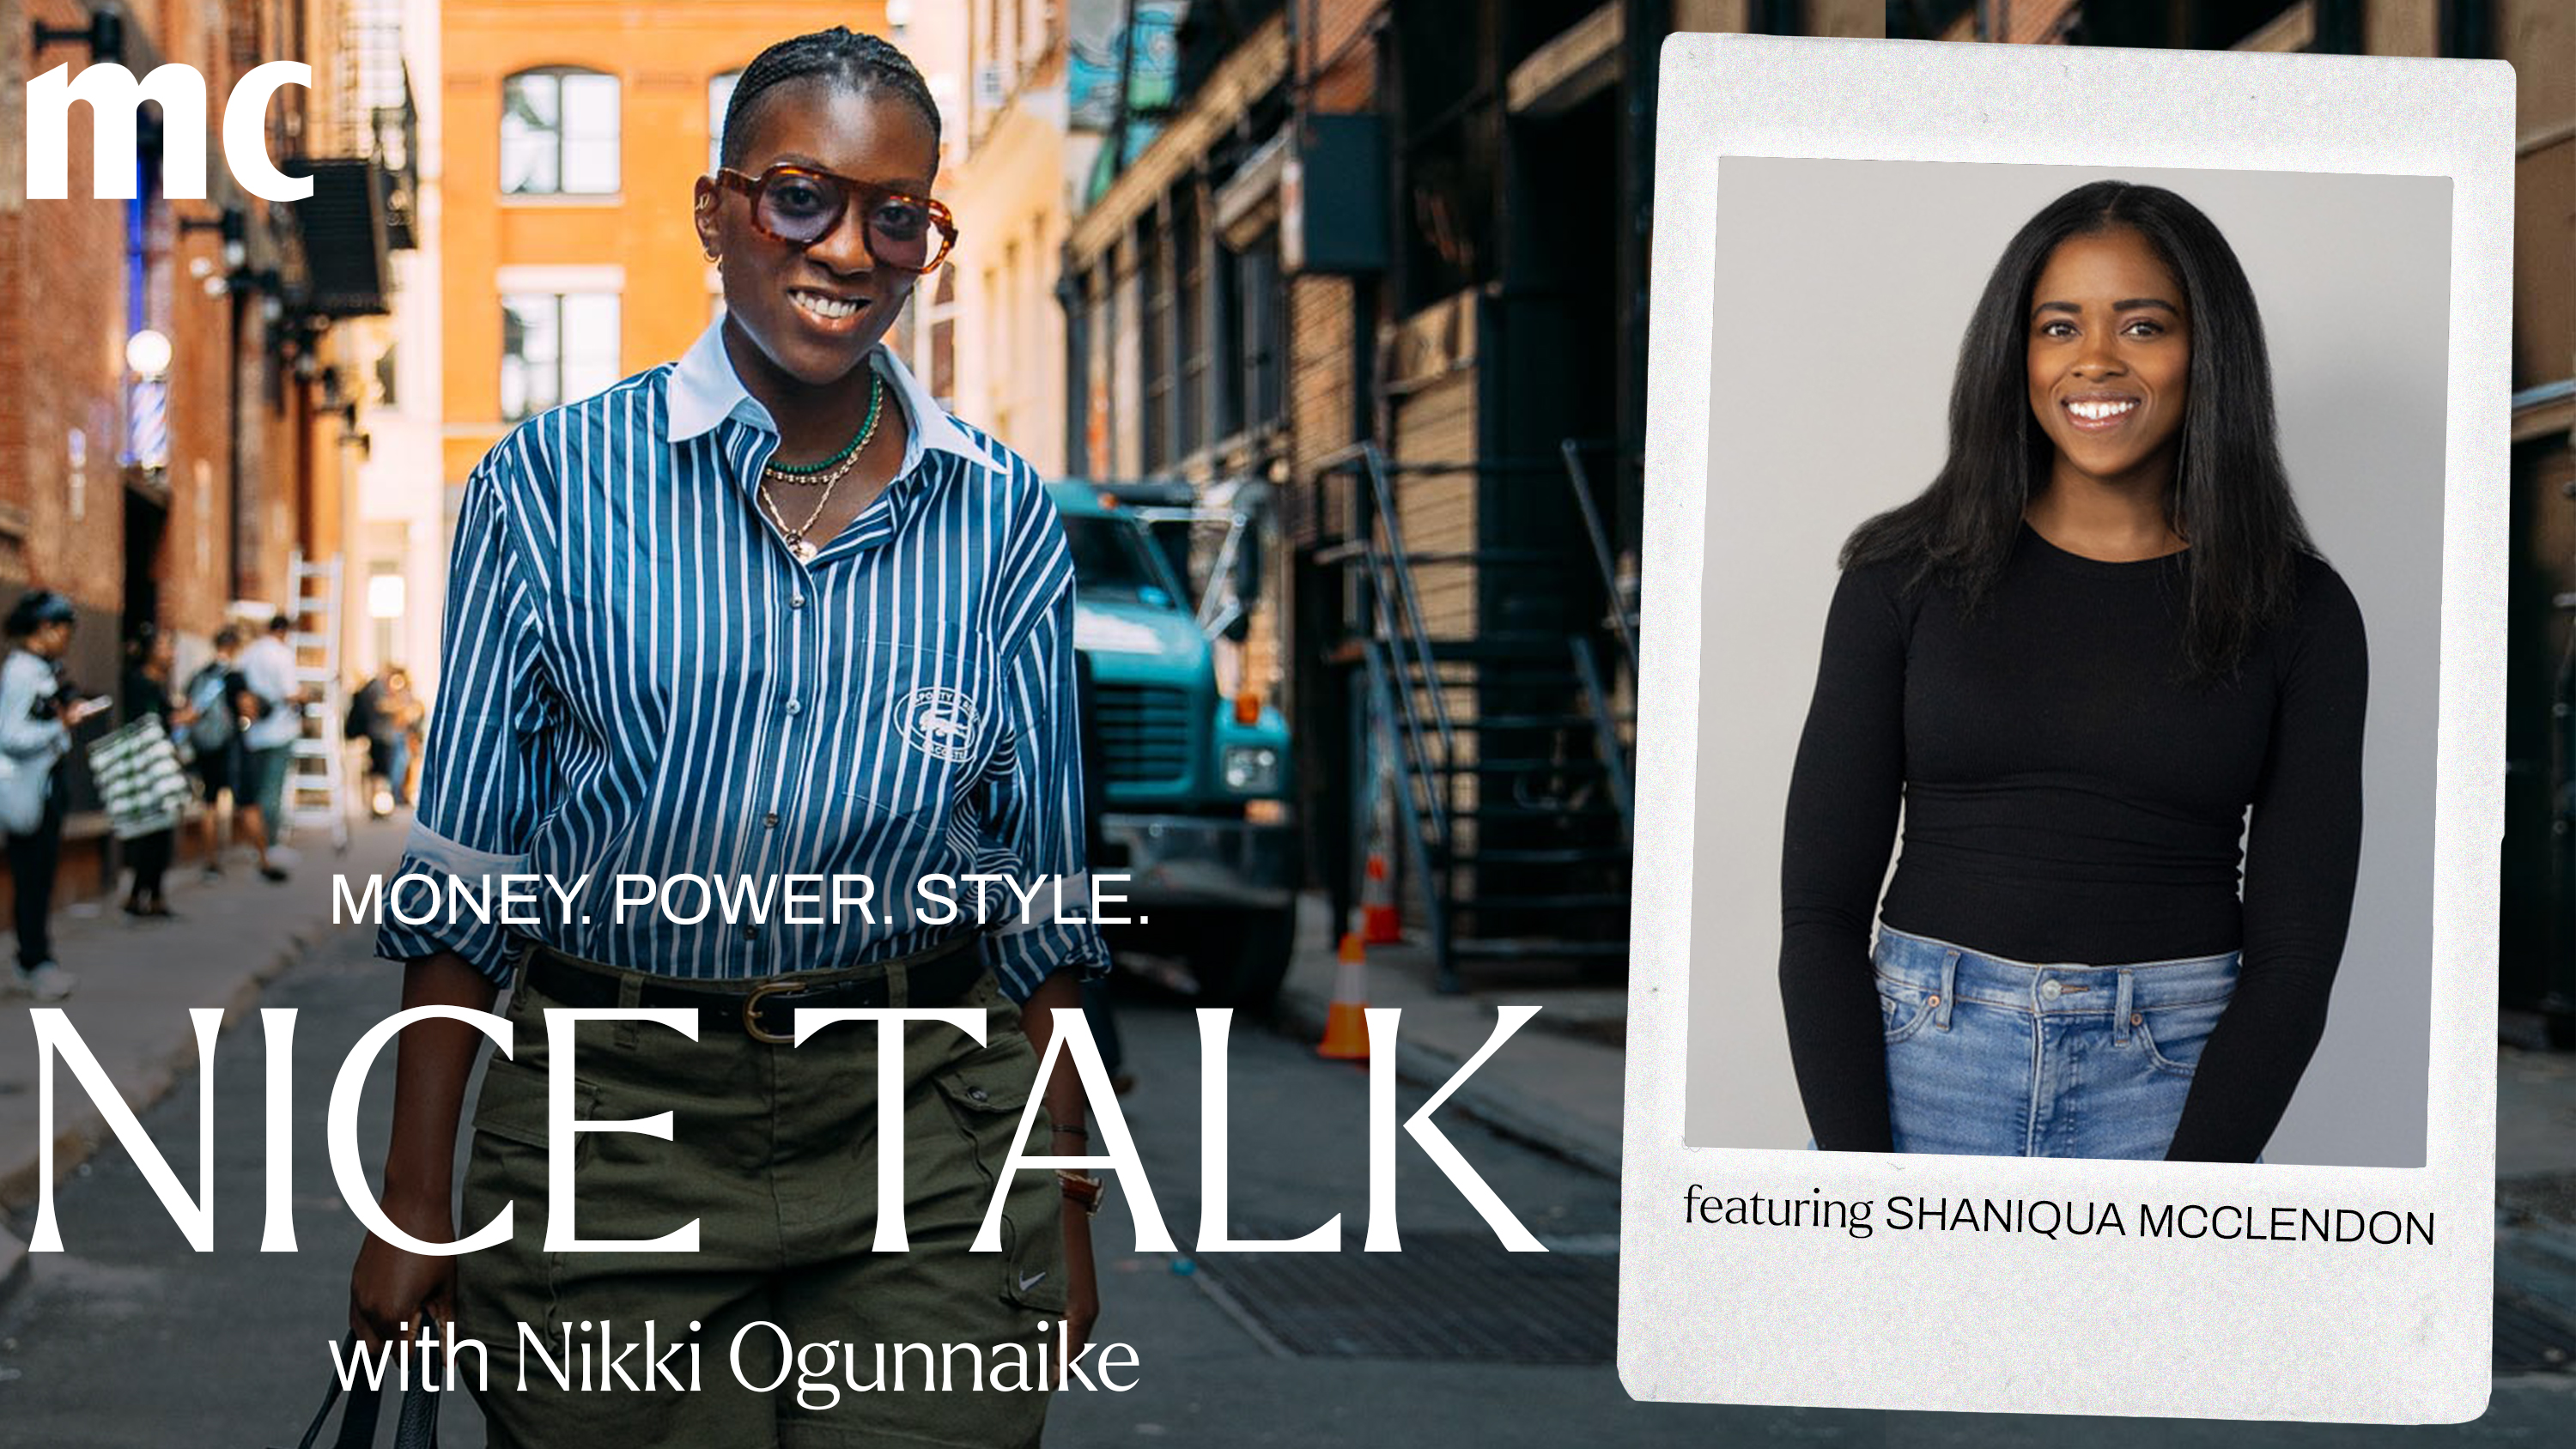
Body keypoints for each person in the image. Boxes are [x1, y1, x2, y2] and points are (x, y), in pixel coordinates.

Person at [349, 27, 1107, 1447]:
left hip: (927, 1130)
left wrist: (1067, 1199)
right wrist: (414, 1197)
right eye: (799, 196)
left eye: (899, 215)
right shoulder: (547, 486)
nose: (848, 247)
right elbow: (465, 881)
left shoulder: (1003, 516)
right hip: (611, 1126)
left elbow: (1042, 904)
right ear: (717, 212)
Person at [1777, 180, 2368, 1163]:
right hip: (1922, 1061)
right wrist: (1857, 1190)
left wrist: (2193, 1201)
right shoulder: (1900, 578)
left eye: (2143, 324)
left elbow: (2296, 962)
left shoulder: (2300, 613)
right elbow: (1820, 917)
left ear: (2205, 351)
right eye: (2060, 326)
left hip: (2171, 1079)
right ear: (2017, 355)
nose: (2095, 358)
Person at [1, 591, 110, 999]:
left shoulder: (40, 670)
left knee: (39, 878)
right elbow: (9, 734)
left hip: (44, 786)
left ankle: (34, 958)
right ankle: (34, 961)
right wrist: (59, 728)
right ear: (45, 629)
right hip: (29, 790)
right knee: (32, 878)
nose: (68, 639)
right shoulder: (22, 672)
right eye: (64, 630)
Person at [117, 622, 198, 918]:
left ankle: (150, 895)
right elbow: (146, 725)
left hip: (162, 765)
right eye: (164, 647)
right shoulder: (139, 683)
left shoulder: (157, 685)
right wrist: (179, 719)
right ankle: (143, 896)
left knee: (159, 833)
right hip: (146, 767)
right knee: (151, 832)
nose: (171, 653)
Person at [234, 611, 303, 866]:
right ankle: (270, 845)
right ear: (285, 631)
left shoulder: (250, 652)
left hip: (254, 732)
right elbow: (289, 693)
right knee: (273, 791)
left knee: (257, 789)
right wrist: (306, 695)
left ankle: (256, 844)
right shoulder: (282, 655)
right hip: (279, 730)